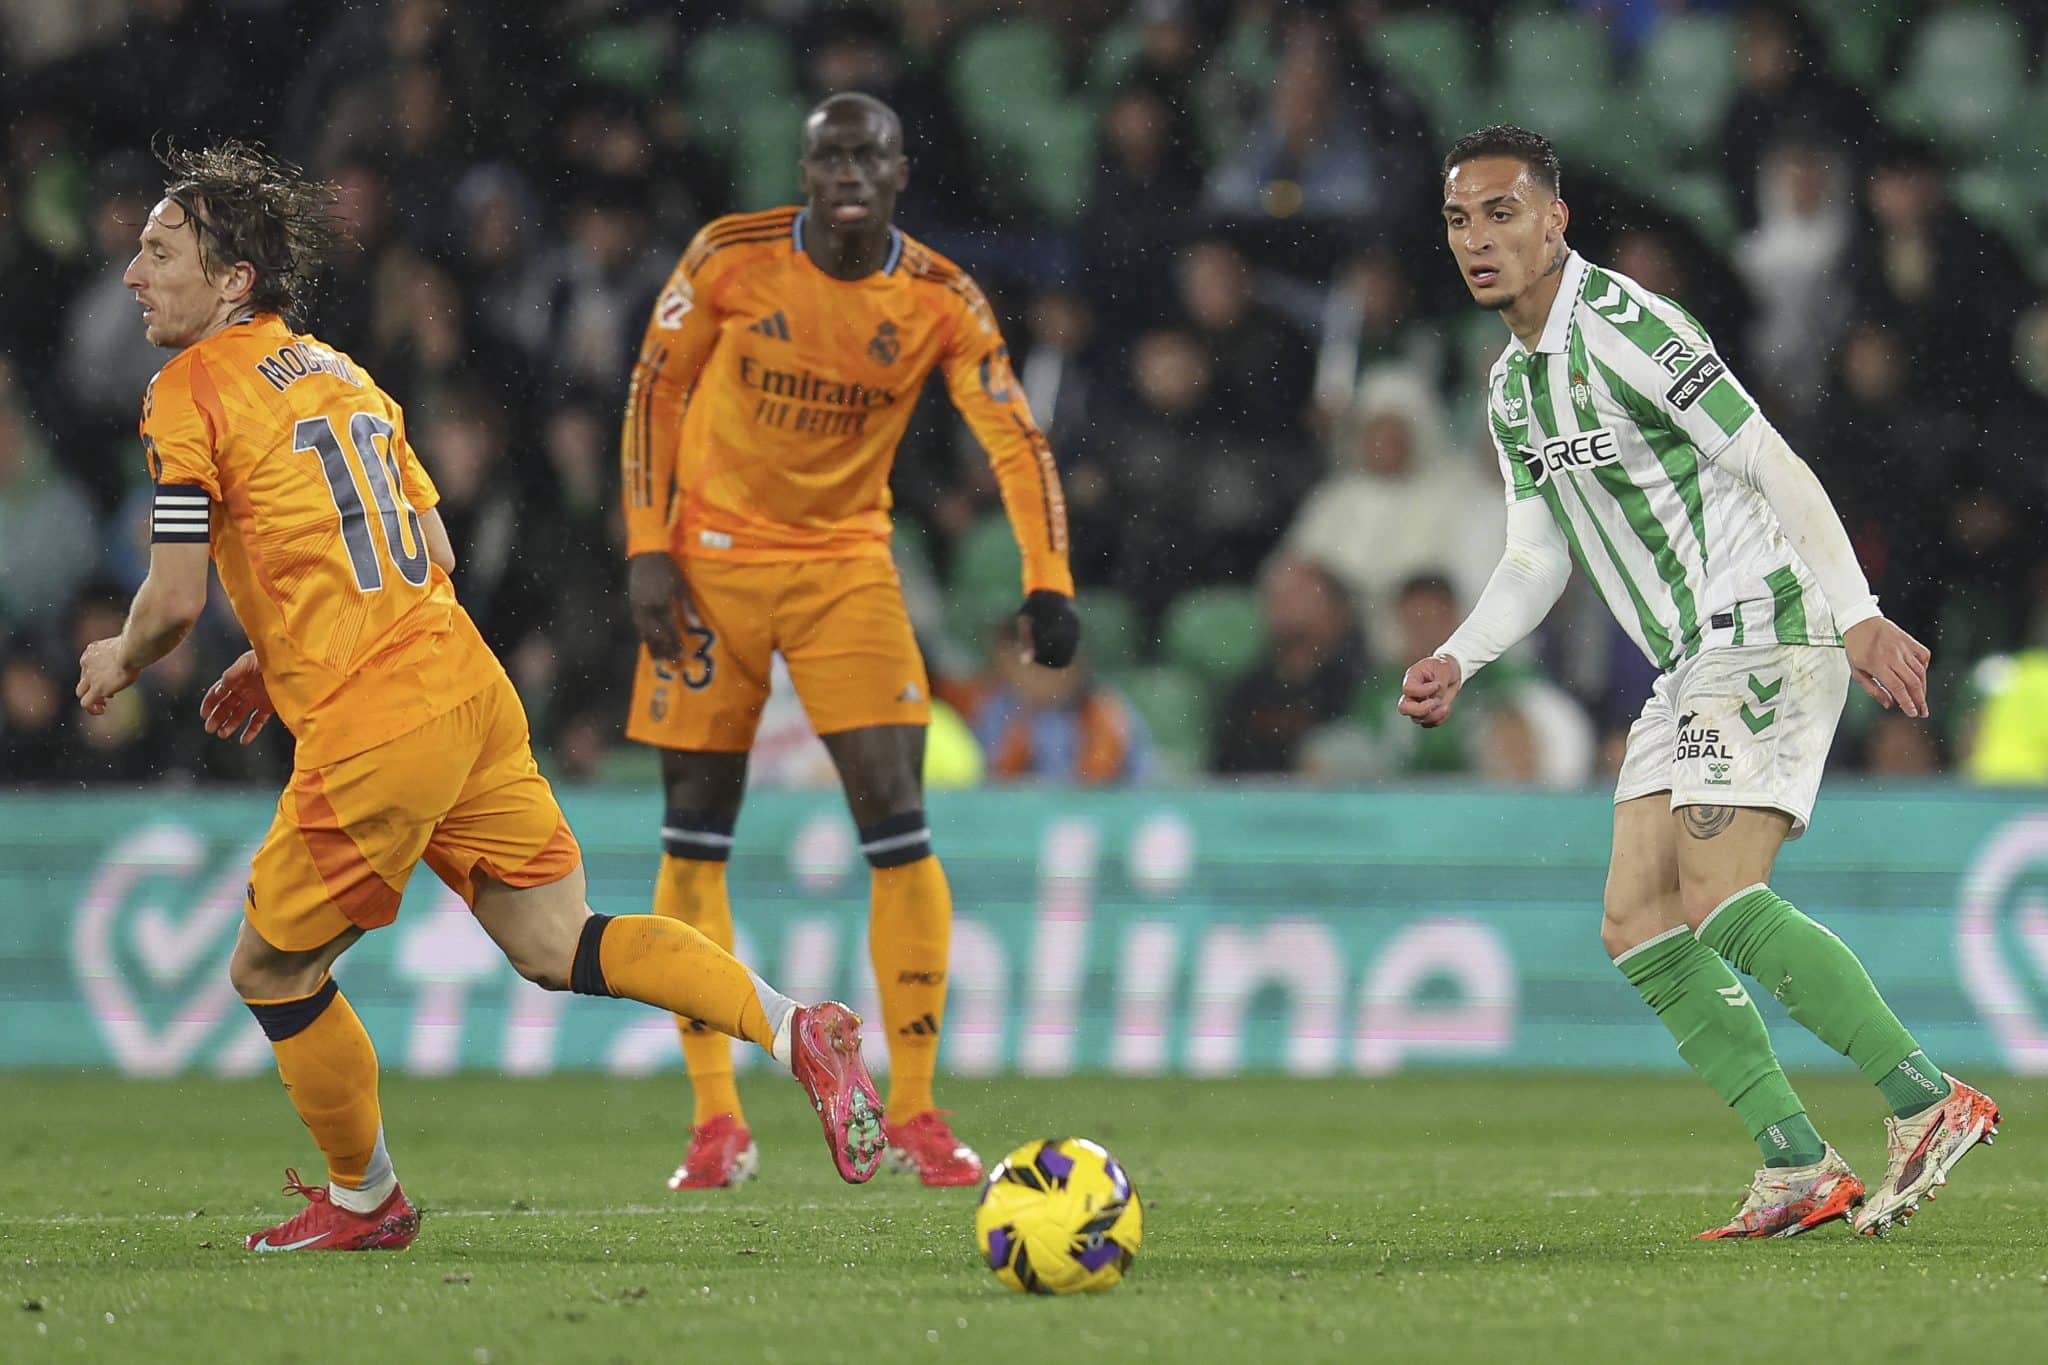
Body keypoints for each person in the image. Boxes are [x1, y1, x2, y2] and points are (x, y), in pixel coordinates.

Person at [76, 143, 889, 1254]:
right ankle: (798, 1028)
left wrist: (121, 655)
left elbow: (171, 601)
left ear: (233, 282)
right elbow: (429, 543)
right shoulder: (339, 371)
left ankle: (365, 1200)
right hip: (464, 687)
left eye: (159, 251)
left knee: (269, 967)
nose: (133, 271)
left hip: (376, 723)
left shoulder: (187, 394)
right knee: (559, 942)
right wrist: (278, 652)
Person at [1402, 126, 2000, 1241]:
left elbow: (1767, 457)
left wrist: (1858, 614)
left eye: (1499, 212)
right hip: (1689, 660)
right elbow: (1537, 556)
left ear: (1552, 221)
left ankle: (1924, 1099)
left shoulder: (1629, 328)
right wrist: (1459, 656)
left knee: (1720, 895)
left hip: (1764, 619)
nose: (1476, 239)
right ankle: (1791, 1164)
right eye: (1456, 219)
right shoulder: (1510, 388)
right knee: (1634, 920)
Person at [619, 94, 1078, 1191]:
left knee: (899, 827)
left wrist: (1047, 579)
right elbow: (654, 388)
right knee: (693, 837)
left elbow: (1013, 437)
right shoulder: (728, 256)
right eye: (827, 154)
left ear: (901, 168)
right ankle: (714, 1123)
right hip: (711, 565)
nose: (846, 171)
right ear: (806, 168)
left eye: (867, 152)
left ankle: (915, 1109)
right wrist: (646, 543)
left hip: (843, 570)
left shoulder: (936, 297)